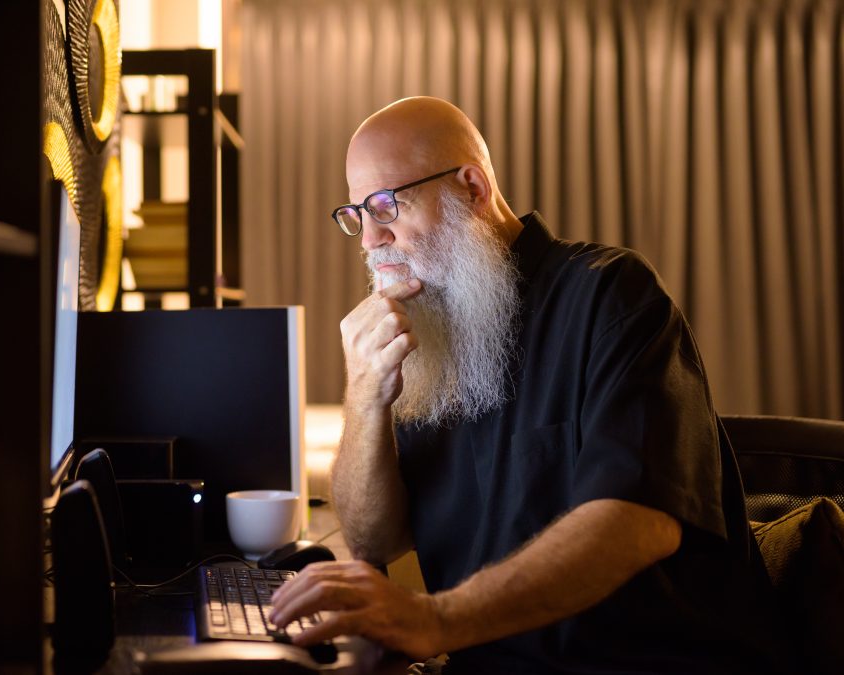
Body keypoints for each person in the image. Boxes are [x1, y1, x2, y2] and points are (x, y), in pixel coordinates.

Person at [267, 97, 790, 674]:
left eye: (386, 205)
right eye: (356, 214)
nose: (368, 240)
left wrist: (435, 619)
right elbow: (375, 542)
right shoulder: (430, 330)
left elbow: (637, 521)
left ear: (471, 187)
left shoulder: (610, 292)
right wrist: (364, 396)